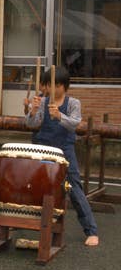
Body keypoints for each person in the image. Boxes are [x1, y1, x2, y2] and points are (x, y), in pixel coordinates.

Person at [26, 67, 99, 246]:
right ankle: (23, 219)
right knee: (35, 184)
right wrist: (33, 111)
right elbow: (31, 124)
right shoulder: (42, 102)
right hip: (43, 148)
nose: (47, 88)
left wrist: (59, 116)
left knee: (73, 187)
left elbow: (75, 124)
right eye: (46, 85)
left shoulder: (73, 103)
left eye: (51, 85)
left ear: (61, 86)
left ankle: (91, 231)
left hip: (64, 150)